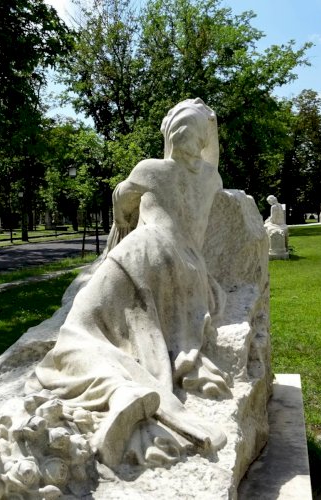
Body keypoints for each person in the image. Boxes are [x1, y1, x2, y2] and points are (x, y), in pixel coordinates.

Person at [32, 99, 229, 468]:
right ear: (204, 137)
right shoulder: (211, 179)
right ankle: (134, 393)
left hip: (140, 257)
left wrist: (125, 196)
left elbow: (122, 212)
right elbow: (211, 159)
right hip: (191, 273)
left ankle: (123, 389)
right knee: (136, 337)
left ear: (169, 133)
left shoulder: (149, 169)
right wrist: (209, 126)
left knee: (79, 330)